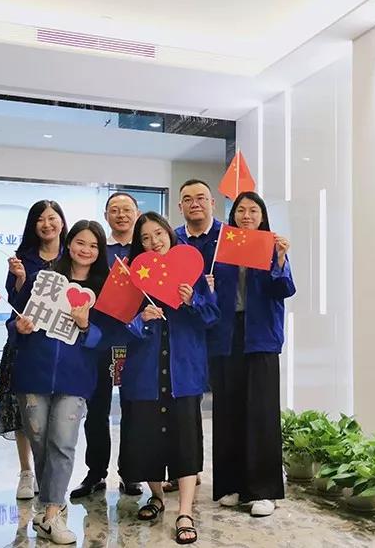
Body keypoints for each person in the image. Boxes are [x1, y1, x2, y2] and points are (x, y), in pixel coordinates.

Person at [116, 212, 218, 545]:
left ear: (169, 234)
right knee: (146, 438)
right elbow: (119, 326)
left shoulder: (191, 270)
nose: (153, 242)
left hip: (183, 369)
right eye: (145, 238)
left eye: (158, 233)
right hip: (144, 371)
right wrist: (141, 320)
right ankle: (157, 496)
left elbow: (211, 316)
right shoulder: (132, 276)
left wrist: (192, 300)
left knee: (185, 440)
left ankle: (185, 511)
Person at [11, 219, 111, 544]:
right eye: (81, 242)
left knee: (63, 442)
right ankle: (49, 507)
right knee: (40, 439)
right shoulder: (43, 280)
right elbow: (15, 320)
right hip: (33, 373)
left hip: (76, 379)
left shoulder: (103, 291)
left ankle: (53, 512)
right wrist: (19, 328)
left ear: (100, 252)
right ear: (69, 244)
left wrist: (86, 327)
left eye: (94, 245)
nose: (86, 250)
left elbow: (106, 337)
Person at [210, 191, 295, 517]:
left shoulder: (272, 246)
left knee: (261, 413)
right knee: (228, 409)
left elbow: (284, 289)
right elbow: (213, 293)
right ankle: (232, 485)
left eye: (253, 210)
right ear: (233, 216)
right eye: (241, 210)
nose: (246, 215)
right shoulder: (223, 248)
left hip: (261, 337)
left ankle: (264, 491)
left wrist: (281, 260)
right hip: (228, 335)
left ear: (262, 216)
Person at [70, 192, 142, 498]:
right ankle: (96, 473)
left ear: (137, 213)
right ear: (106, 215)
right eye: (115, 210)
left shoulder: (144, 250)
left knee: (133, 408)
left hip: (135, 341)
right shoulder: (99, 249)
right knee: (96, 410)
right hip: (98, 339)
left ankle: (131, 472)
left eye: (127, 209)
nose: (121, 215)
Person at [0, 200, 67, 501]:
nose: (47, 224)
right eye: (40, 219)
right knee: (24, 412)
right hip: (25, 343)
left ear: (62, 221)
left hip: (61, 347)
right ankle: (27, 471)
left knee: (58, 415)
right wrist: (21, 279)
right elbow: (14, 304)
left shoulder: (72, 256)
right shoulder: (22, 259)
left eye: (52, 218)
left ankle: (51, 475)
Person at [167, 178, 229, 493]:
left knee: (225, 407)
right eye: (188, 199)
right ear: (180, 206)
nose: (195, 203)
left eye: (201, 197)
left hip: (225, 335)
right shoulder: (172, 240)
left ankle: (230, 478)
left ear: (212, 203)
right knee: (185, 405)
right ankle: (187, 470)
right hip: (186, 335)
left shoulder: (228, 239)